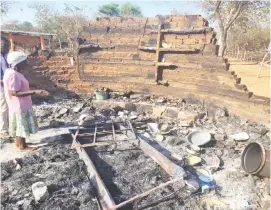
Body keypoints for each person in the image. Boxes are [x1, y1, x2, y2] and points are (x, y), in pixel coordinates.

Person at [3, 51, 48, 151]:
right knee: (21, 126)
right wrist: (35, 92)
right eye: (25, 61)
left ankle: (20, 143)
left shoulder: (11, 72)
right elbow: (15, 93)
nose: (27, 63)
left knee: (20, 125)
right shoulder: (13, 75)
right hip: (19, 105)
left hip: (19, 105)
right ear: (19, 63)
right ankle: (22, 147)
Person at [0, 38, 10, 138]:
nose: (7, 48)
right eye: (4, 46)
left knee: (9, 106)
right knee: (3, 107)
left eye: (7, 46)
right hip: (1, 86)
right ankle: (3, 130)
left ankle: (9, 127)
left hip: (8, 85)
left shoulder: (6, 56)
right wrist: (4, 81)